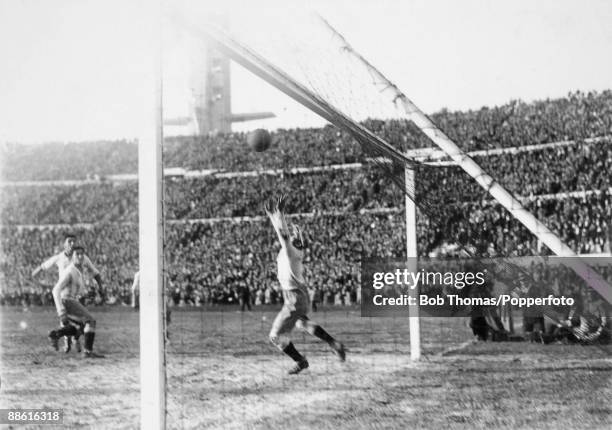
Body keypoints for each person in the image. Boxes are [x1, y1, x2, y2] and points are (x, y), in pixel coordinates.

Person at [264, 195, 346, 375]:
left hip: (294, 298)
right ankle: (334, 344)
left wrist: (280, 215)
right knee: (302, 324)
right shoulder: (294, 252)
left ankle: (300, 361)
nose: (290, 233)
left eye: (294, 233)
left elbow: (283, 235)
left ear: (296, 240)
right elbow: (282, 234)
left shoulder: (291, 252)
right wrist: (272, 216)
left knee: (275, 336)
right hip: (298, 295)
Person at [32, 233, 103, 353]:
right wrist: (34, 276)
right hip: (64, 295)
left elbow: (95, 272)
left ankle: (63, 337)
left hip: (74, 295)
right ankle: (70, 344)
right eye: (69, 241)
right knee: (80, 322)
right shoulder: (60, 259)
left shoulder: (81, 259)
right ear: (64, 244)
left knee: (79, 324)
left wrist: (98, 288)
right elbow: (43, 267)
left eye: (74, 241)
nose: (72, 244)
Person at [48, 246, 103, 358]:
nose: (80, 256)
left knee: (82, 326)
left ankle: (56, 334)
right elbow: (56, 290)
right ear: (72, 257)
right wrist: (61, 311)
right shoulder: (70, 271)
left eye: (82, 254)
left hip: (70, 300)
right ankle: (88, 352)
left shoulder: (78, 271)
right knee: (90, 321)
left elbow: (74, 290)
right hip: (66, 301)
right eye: (77, 254)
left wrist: (88, 295)